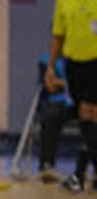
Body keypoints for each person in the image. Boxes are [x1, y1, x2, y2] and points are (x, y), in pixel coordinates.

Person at [47, 0, 97, 196]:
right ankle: (83, 175)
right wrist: (50, 69)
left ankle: (79, 174)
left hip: (96, 63)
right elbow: (58, 35)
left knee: (89, 112)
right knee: (86, 120)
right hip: (73, 66)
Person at [35, 52, 90, 191]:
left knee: (91, 121)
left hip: (85, 101)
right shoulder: (47, 60)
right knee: (50, 116)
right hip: (61, 102)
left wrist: (64, 82)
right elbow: (50, 86)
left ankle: (86, 172)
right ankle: (47, 166)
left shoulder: (87, 57)